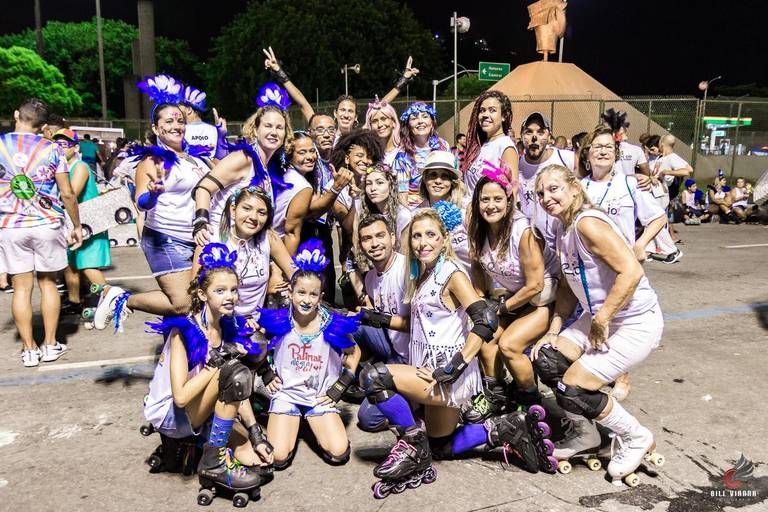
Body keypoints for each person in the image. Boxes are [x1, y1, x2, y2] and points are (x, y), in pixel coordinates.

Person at [359, 208, 555, 498]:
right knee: (440, 445)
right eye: (416, 236)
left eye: (430, 235)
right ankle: (502, 428)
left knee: (374, 378)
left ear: (444, 239)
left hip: (445, 374)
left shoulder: (451, 273)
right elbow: (422, 323)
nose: (423, 242)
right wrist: (378, 318)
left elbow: (486, 320)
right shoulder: (423, 273)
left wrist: (456, 366)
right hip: (432, 371)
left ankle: (413, 449)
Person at [532, 164, 664, 486]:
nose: (547, 197)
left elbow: (631, 271)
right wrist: (554, 330)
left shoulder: (587, 223)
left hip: (634, 321)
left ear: (574, 188)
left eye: (554, 189)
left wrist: (602, 319)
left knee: (573, 388)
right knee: (547, 358)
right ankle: (587, 433)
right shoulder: (563, 228)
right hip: (599, 317)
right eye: (540, 193)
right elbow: (567, 285)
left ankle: (636, 436)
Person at [143, 243, 272, 497]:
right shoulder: (183, 332)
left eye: (234, 290)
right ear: (203, 295)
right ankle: (213, 464)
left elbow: (237, 388)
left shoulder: (227, 327)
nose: (230, 297)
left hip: (204, 408)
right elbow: (181, 397)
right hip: (171, 414)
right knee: (233, 371)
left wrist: (255, 432)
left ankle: (208, 446)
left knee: (261, 463)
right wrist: (219, 361)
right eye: (220, 290)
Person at [92, 75, 213, 331]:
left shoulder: (196, 160)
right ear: (156, 129)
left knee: (199, 301)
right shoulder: (152, 161)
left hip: (197, 239)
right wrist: (154, 194)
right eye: (168, 121)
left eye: (180, 120)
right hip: (165, 238)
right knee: (183, 303)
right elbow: (141, 202)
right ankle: (121, 298)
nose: (176, 125)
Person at [461, 173, 561, 423]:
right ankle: (496, 396)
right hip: (514, 297)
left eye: (497, 199)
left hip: (543, 298)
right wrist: (481, 301)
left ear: (508, 201)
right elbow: (477, 267)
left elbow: (536, 285)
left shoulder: (523, 231)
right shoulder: (476, 227)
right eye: (485, 199)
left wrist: (500, 308)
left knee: (509, 345)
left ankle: (530, 403)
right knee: (484, 338)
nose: (491, 205)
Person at [257, 239, 362, 468]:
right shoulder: (279, 320)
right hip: (287, 393)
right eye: (301, 292)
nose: (306, 300)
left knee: (338, 452)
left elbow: (354, 352)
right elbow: (256, 344)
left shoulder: (332, 323)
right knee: (278, 457)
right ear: (290, 292)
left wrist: (342, 383)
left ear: (321, 296)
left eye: (313, 295)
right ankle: (289, 417)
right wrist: (265, 371)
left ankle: (310, 420)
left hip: (319, 396)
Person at [0, 98, 83, 367]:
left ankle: (29, 350)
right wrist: (76, 225)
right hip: (47, 224)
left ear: (16, 114)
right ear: (44, 126)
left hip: (11, 225)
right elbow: (67, 193)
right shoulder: (53, 149)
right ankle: (49, 344)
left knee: (21, 288)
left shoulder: (0, 145)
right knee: (48, 284)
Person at [193, 83, 294, 247]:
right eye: (268, 126)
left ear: (285, 134)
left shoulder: (265, 168)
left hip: (245, 247)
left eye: (279, 128)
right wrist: (201, 222)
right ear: (255, 130)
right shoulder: (243, 158)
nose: (274, 132)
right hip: (222, 244)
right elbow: (203, 188)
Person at [354, 214, 411, 432]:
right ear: (361, 245)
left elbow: (419, 326)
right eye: (367, 238)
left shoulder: (407, 270)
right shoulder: (370, 278)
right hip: (392, 347)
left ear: (393, 238)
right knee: (346, 323)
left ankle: (414, 401)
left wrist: (378, 319)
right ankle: (354, 378)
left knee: (368, 419)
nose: (375, 243)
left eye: (380, 236)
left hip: (414, 357)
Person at [202, 186, 295, 318]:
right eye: (246, 208)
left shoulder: (268, 237)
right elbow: (197, 290)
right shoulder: (212, 238)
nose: (253, 217)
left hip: (256, 321)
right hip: (220, 320)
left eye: (261, 213)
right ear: (233, 210)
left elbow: (294, 273)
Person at [579, 127, 668, 263]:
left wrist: (640, 244)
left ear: (616, 153)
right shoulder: (578, 188)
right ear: (586, 153)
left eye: (609, 147)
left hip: (623, 263)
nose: (603, 152)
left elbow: (659, 217)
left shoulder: (630, 184)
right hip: (589, 265)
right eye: (597, 147)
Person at [53, 129, 111, 316]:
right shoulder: (62, 167)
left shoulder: (80, 166)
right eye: (56, 145)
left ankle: (113, 300)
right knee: (71, 264)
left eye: (64, 145)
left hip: (88, 222)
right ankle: (74, 301)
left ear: (76, 148)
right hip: (73, 222)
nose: (59, 149)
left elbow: (71, 193)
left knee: (88, 265)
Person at [518, 112, 574, 251]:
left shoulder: (566, 159)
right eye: (529, 132)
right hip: (533, 245)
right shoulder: (516, 165)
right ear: (522, 136)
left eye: (540, 132)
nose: (534, 137)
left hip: (564, 243)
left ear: (549, 137)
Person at [418, 151, 471, 274]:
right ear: (425, 179)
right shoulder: (417, 214)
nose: (438, 180)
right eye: (433, 175)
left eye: (444, 176)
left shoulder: (466, 210)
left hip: (469, 277)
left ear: (452, 181)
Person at [460, 90, 519, 198]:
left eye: (492, 110)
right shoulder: (480, 145)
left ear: (504, 116)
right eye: (482, 110)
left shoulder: (506, 147)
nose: (485, 115)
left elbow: (512, 193)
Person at [391, 102, 449, 208]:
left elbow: (453, 179)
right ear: (408, 125)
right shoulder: (402, 155)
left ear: (432, 122)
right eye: (414, 118)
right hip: (415, 209)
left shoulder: (444, 146)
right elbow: (402, 194)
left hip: (443, 205)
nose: (420, 121)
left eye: (425, 116)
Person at [273, 134, 313, 254]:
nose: (310, 157)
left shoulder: (282, 175)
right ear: (289, 155)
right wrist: (287, 265)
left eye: (312, 151)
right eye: (302, 152)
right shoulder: (302, 186)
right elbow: (291, 233)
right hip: (274, 248)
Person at [361, 163, 411, 242]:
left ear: (391, 186)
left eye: (380, 183)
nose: (373, 188)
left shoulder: (403, 215)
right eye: (369, 183)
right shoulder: (364, 211)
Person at [600, 109, 651, 179]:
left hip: (608, 182)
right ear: (625, 129)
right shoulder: (636, 150)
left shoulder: (603, 149)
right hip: (629, 183)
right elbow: (646, 173)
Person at [180, 83, 218, 158]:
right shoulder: (214, 130)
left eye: (179, 106)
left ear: (189, 110)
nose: (176, 109)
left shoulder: (179, 130)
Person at [363, 98, 401, 166]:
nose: (380, 125)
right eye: (374, 121)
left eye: (383, 119)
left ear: (394, 122)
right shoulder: (367, 153)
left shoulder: (406, 150)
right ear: (370, 126)